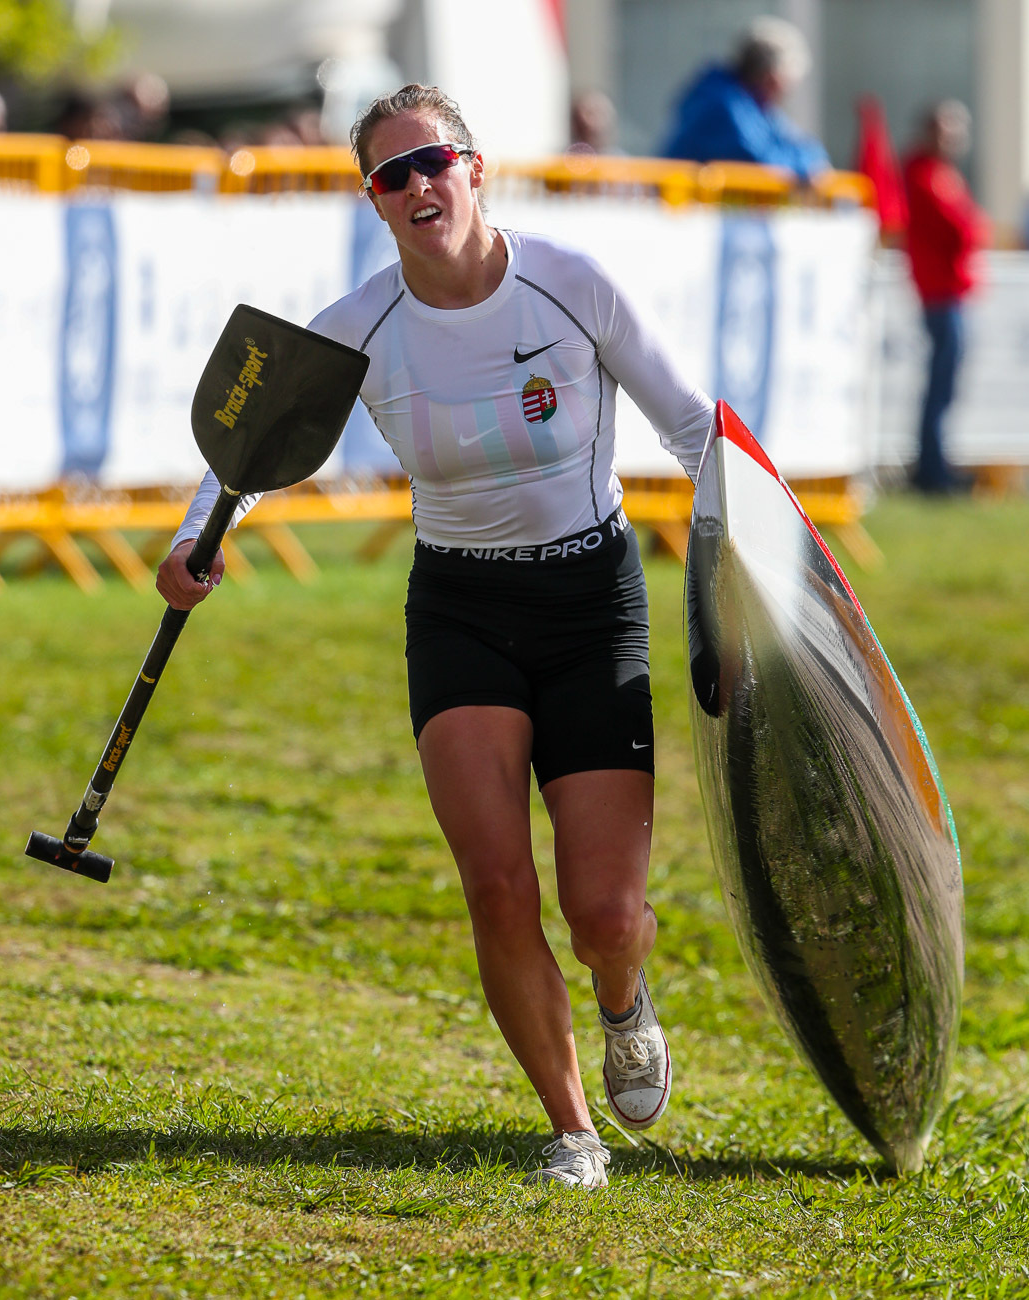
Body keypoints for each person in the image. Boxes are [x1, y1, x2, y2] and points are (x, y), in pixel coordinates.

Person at [157, 83, 715, 1189]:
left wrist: (748, 567)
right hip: (460, 607)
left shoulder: (570, 285)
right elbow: (248, 456)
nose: (417, 187)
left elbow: (695, 430)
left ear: (475, 167)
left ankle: (622, 996)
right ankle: (572, 1129)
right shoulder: (357, 325)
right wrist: (193, 544)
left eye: (432, 163)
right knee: (497, 884)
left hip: (593, 597)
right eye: (390, 174)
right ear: (373, 199)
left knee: (605, 912)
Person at [901, 99, 990, 494]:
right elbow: (961, 230)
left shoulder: (943, 173)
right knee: (940, 385)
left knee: (946, 384)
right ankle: (931, 470)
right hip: (939, 294)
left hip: (950, 292)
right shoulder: (924, 174)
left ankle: (936, 465)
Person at [657, 16, 829, 183]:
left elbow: (804, 148)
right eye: (783, 82)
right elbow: (761, 163)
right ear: (770, 77)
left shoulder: (755, 106)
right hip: (676, 205)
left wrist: (811, 165)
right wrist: (805, 170)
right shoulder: (722, 102)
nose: (784, 92)